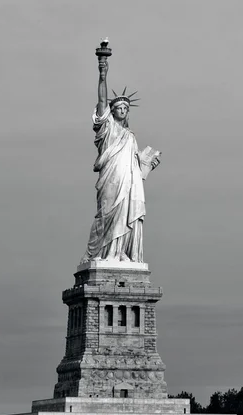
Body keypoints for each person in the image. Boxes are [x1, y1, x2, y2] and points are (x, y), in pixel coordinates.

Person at [81, 57, 160, 263]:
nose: (122, 110)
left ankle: (120, 252)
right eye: (118, 107)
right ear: (111, 111)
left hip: (129, 180)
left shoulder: (130, 137)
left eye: (125, 108)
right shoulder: (107, 129)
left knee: (126, 213)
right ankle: (102, 252)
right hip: (111, 177)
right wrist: (102, 74)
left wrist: (148, 164)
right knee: (107, 213)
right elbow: (101, 100)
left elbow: (136, 168)